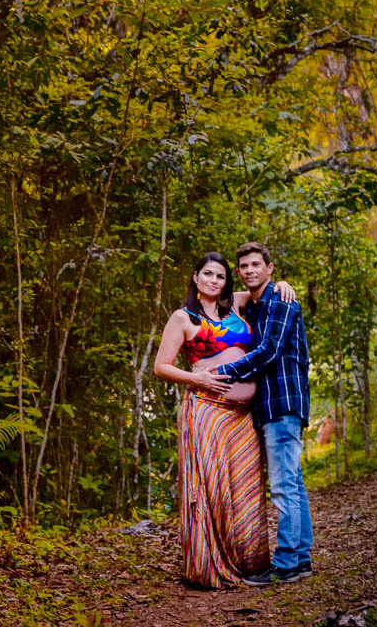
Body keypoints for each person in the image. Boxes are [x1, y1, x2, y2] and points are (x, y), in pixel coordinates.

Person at [153, 251, 297, 588]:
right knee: (212, 488)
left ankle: (250, 563)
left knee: (245, 487)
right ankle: (208, 565)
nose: (214, 281)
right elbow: (161, 366)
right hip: (206, 410)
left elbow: (265, 287)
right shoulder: (182, 317)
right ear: (195, 276)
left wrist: (285, 284)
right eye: (208, 274)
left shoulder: (235, 305)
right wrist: (197, 379)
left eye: (220, 276)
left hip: (242, 416)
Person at [206, 242, 313, 586]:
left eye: (256, 265)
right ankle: (301, 559)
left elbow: (268, 352)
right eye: (244, 266)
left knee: (283, 487)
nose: (250, 270)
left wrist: (225, 372)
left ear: (269, 267)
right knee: (293, 482)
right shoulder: (257, 304)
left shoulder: (282, 302)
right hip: (270, 406)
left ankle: (285, 565)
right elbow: (224, 296)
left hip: (283, 403)